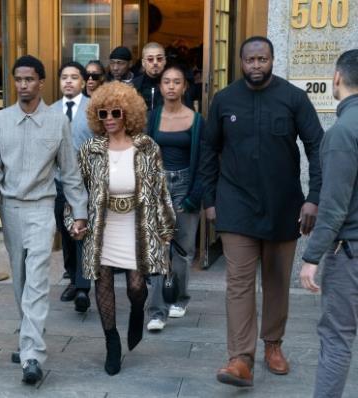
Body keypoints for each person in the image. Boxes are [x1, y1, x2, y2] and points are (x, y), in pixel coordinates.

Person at [200, 36, 323, 387]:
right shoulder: (225, 100)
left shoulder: (294, 98)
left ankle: (273, 345)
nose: (256, 65)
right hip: (236, 204)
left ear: (272, 59)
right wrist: (210, 201)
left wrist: (313, 197)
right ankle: (240, 357)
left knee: (277, 281)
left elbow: (316, 146)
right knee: (238, 282)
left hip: (284, 205)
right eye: (250, 59)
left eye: (263, 59)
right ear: (241, 61)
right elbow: (209, 151)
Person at [0, 55, 88, 385]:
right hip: (10, 210)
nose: (23, 84)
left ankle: (32, 355)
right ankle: (29, 335)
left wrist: (79, 212)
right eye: (18, 79)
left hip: (42, 207)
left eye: (29, 79)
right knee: (20, 279)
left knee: (37, 279)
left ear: (40, 82)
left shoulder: (57, 122)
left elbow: (69, 171)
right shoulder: (0, 121)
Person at [70, 81, 175, 375]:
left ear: (128, 113)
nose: (110, 118)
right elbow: (77, 190)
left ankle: (137, 311)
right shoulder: (90, 149)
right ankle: (112, 343)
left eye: (116, 111)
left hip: (135, 226)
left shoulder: (146, 147)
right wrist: (75, 221)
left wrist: (166, 229)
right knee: (102, 285)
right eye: (103, 113)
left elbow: (160, 190)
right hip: (102, 228)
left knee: (136, 286)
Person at [300, 49, 358, 398]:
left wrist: (311, 257)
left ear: (337, 78)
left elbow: (334, 208)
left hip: (349, 252)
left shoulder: (341, 133)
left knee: (336, 339)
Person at [145, 64, 205, 331]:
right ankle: (157, 311)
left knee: (182, 251)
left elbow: (204, 161)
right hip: (158, 184)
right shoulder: (152, 117)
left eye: (176, 81)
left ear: (184, 87)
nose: (171, 86)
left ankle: (179, 297)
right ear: (160, 87)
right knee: (157, 249)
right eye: (166, 81)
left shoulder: (196, 120)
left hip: (185, 184)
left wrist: (196, 194)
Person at [51, 61, 94, 312]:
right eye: (64, 77)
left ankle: (83, 288)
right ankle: (72, 277)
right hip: (57, 182)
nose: (68, 81)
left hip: (85, 182)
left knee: (82, 233)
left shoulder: (93, 109)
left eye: (74, 77)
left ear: (83, 81)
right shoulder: (50, 111)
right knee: (66, 234)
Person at [132, 42, 167, 111]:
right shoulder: (133, 86)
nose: (155, 63)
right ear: (143, 63)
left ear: (165, 61)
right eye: (150, 59)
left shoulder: (173, 85)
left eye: (159, 58)